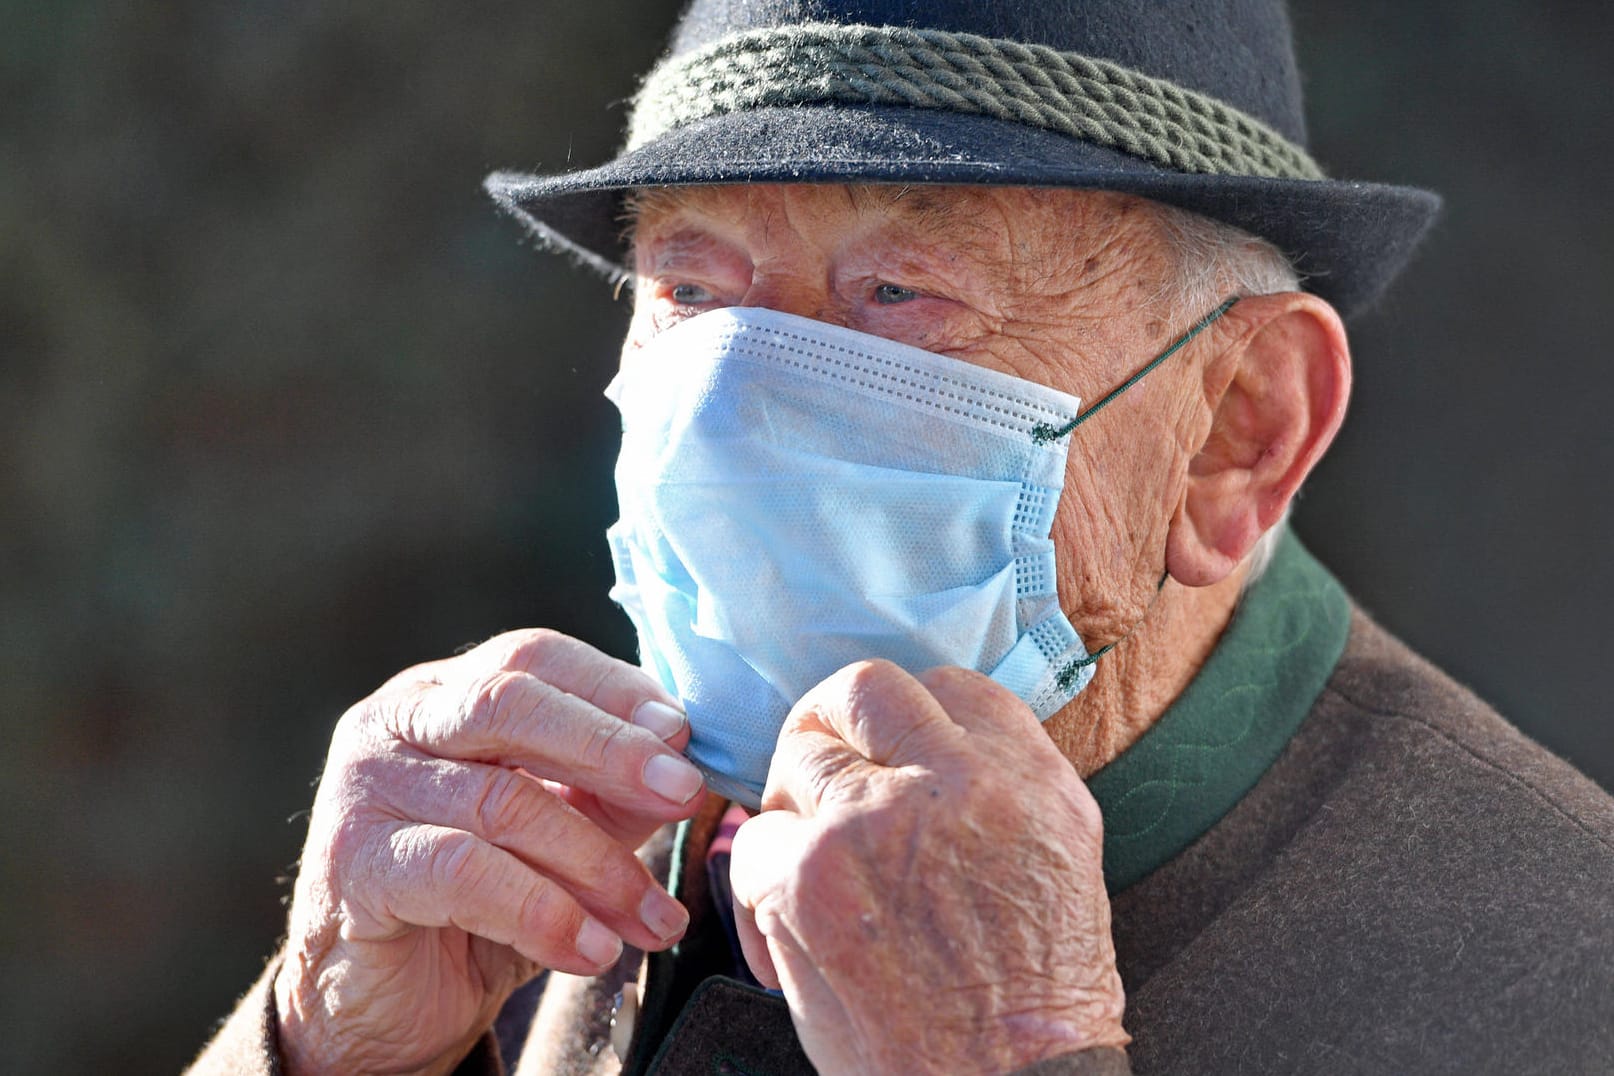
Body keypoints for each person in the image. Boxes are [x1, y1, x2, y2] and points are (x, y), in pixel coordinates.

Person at [191, 1, 1614, 1073]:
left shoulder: (1556, 979)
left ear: (1239, 429)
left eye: (894, 293)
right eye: (691, 288)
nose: (741, 417)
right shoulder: (531, 868)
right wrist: (327, 1042)